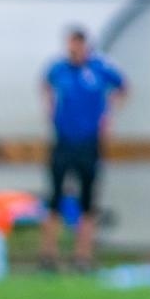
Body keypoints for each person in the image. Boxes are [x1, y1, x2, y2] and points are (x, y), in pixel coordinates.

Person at [38, 27, 127, 272]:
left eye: (76, 46)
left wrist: (109, 116)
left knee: (87, 201)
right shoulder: (59, 69)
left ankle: (83, 257)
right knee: (54, 199)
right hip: (63, 141)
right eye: (69, 46)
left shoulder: (99, 69)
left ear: (85, 46)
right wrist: (50, 109)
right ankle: (48, 256)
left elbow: (122, 87)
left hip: (89, 143)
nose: (72, 51)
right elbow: (44, 85)